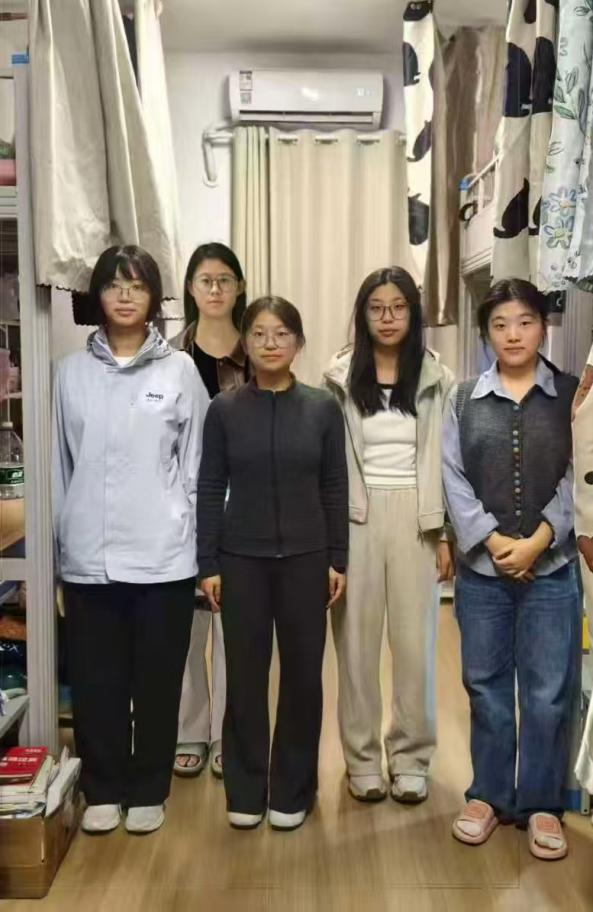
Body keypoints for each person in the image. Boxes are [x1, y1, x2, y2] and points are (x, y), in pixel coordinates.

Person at [52, 245, 210, 835]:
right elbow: (58, 469)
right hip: (88, 556)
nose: (124, 295)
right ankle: (103, 787)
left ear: (153, 297)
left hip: (163, 556)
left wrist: (197, 548)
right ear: (96, 296)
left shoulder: (180, 371)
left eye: (137, 285)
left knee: (157, 683)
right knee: (97, 682)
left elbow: (198, 468)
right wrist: (57, 561)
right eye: (113, 285)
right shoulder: (69, 373)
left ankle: (148, 788)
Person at [197, 296, 348, 831]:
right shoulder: (224, 410)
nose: (270, 343)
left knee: (304, 678)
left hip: (307, 560)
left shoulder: (322, 408)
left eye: (281, 333)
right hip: (241, 561)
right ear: (245, 342)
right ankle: (244, 789)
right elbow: (210, 486)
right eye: (259, 333)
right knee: (244, 678)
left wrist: (338, 557)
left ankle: (292, 790)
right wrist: (208, 562)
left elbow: (334, 485)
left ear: (298, 343)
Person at [442, 278, 579, 861]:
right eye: (500, 325)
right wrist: (496, 542)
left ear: (543, 327)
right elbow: (452, 477)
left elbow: (581, 475)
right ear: (486, 334)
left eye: (524, 322)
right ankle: (489, 796)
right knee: (486, 685)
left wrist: (540, 539)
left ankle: (542, 803)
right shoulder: (462, 398)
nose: (513, 334)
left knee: (548, 691)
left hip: (553, 568)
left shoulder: (571, 394)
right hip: (482, 571)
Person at [323, 266, 454, 805]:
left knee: (414, 647)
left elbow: (447, 459)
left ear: (413, 313)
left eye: (398, 307)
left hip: (418, 519)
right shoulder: (337, 377)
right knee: (355, 647)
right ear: (362, 314)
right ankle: (362, 760)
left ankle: (411, 758)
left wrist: (444, 533)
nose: (387, 317)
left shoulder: (436, 375)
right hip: (354, 516)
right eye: (376, 308)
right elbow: (327, 463)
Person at [171, 243, 248, 780]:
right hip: (176, 504)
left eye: (224, 279)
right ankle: (189, 729)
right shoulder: (168, 354)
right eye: (205, 279)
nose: (215, 289)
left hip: (242, 505)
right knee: (185, 626)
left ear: (239, 287)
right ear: (191, 288)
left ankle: (228, 731)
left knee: (234, 625)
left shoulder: (259, 348)